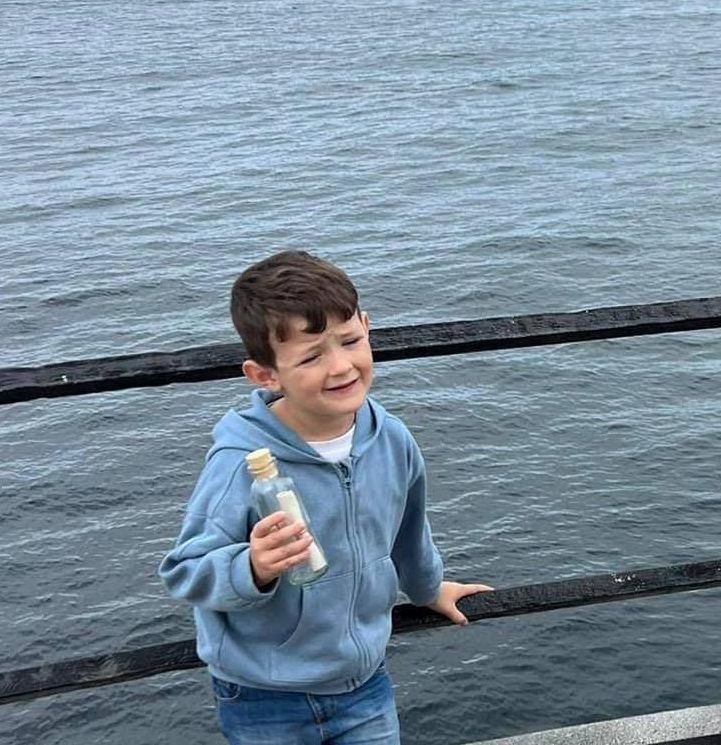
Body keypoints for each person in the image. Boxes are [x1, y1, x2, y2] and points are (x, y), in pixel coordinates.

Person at [160, 250, 491, 744]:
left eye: (351, 341)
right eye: (311, 356)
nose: (340, 366)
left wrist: (428, 590)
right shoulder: (240, 462)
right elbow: (185, 570)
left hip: (364, 682)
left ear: (367, 326)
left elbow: (408, 532)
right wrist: (252, 567)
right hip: (262, 693)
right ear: (265, 375)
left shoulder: (390, 439)